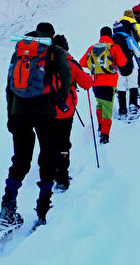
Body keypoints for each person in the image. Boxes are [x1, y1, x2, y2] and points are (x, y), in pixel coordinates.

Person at [0, 22, 72, 226]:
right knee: (47, 158)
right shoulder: (53, 49)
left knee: (20, 159)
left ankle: (8, 204)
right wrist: (61, 97)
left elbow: (9, 84)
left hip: (19, 111)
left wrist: (10, 114)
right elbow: (66, 72)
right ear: (52, 34)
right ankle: (43, 207)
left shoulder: (21, 48)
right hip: (45, 111)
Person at [51, 34, 94, 189]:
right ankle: (61, 178)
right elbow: (87, 83)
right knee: (63, 143)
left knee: (50, 142)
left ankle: (50, 175)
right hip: (65, 111)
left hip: (45, 111)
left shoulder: (42, 63)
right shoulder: (70, 63)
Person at [79, 26, 128, 144]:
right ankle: (104, 135)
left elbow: (82, 62)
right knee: (107, 109)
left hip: (95, 83)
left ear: (100, 36)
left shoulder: (93, 48)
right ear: (110, 35)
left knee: (100, 105)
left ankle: (101, 128)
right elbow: (123, 62)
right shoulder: (114, 47)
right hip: (109, 83)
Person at [110, 10, 140, 119]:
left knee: (121, 88)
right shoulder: (128, 38)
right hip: (131, 65)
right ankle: (133, 106)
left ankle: (122, 109)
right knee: (133, 85)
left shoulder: (111, 40)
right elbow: (138, 52)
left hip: (118, 69)